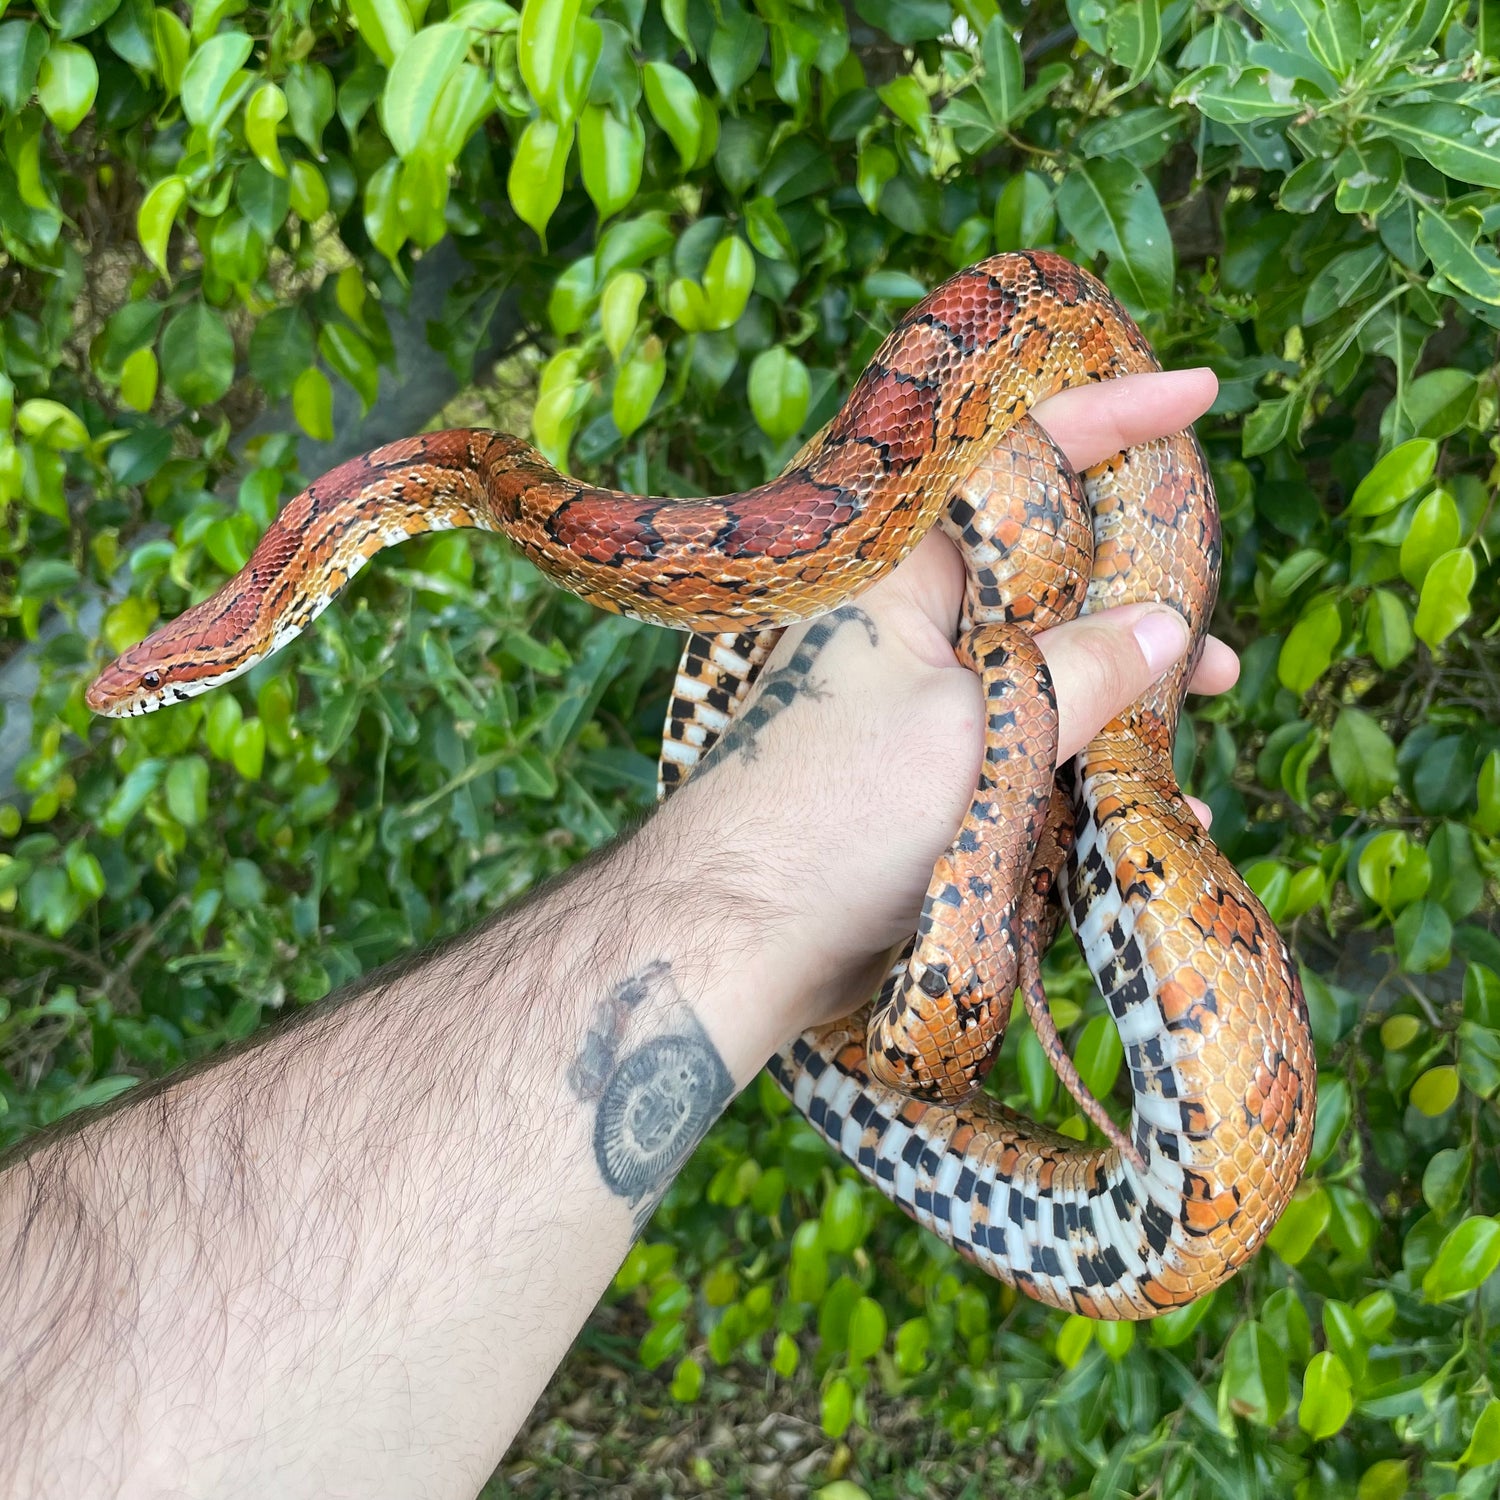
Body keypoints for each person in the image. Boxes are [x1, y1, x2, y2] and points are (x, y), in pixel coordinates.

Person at [1, 371, 1238, 1499]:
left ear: (233, 639)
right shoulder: (417, 501)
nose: (155, 694)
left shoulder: (472, 482)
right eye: (163, 685)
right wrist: (756, 884)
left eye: (164, 683)